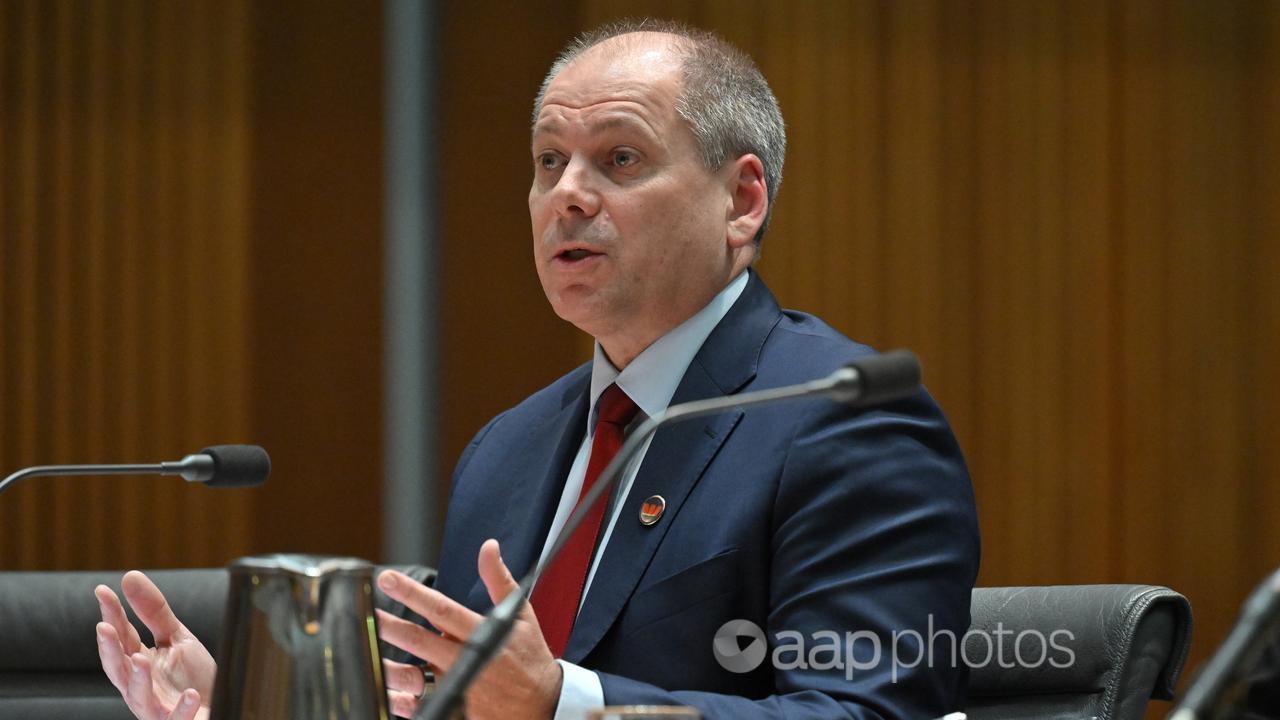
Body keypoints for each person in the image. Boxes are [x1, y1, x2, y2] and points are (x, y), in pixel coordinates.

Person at [94, 19, 980, 720]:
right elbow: (435, 705)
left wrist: (569, 705)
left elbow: (867, 713)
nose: (568, 195)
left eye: (620, 159)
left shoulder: (843, 419)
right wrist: (240, 706)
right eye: (549, 162)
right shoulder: (508, 451)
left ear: (741, 201)